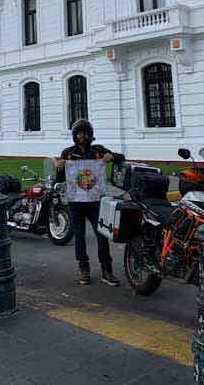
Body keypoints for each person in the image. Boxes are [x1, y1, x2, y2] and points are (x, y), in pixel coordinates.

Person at [56, 119, 124, 286]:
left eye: (85, 133)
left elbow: (120, 158)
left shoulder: (98, 151)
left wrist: (112, 156)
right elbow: (61, 179)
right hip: (76, 202)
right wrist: (59, 168)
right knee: (79, 235)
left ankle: (107, 270)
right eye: (79, 133)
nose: (82, 136)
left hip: (95, 201)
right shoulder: (68, 153)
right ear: (74, 135)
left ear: (90, 135)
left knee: (102, 234)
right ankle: (83, 268)